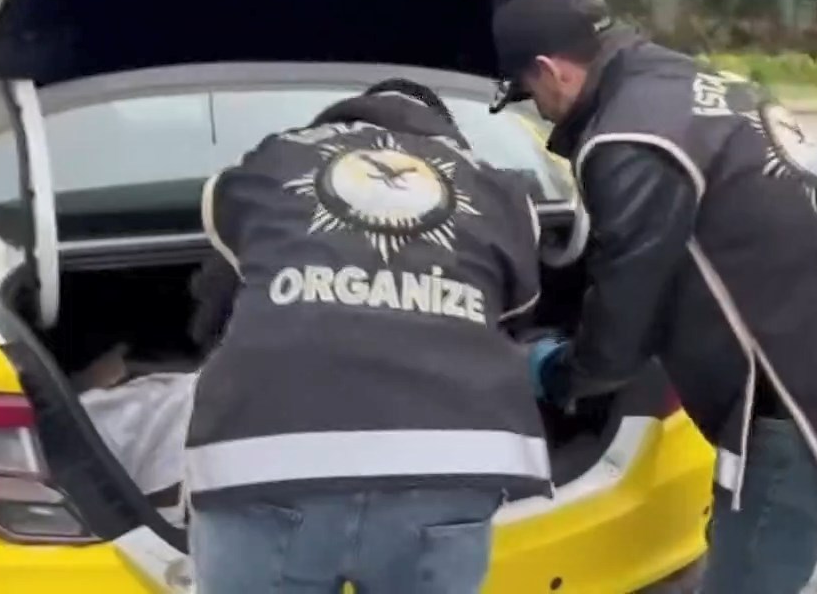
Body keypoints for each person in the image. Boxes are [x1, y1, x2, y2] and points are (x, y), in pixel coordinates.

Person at [489, 0, 817, 594]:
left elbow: (625, 311)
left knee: (749, 573)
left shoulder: (626, 138)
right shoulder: (698, 83)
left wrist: (557, 373)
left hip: (804, 403)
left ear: (550, 69)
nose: (540, 112)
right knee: (766, 555)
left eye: (530, 94)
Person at [185, 80, 548, 594]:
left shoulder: (272, 161)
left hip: (265, 456)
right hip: (453, 458)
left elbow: (217, 303)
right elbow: (511, 313)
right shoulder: (500, 190)